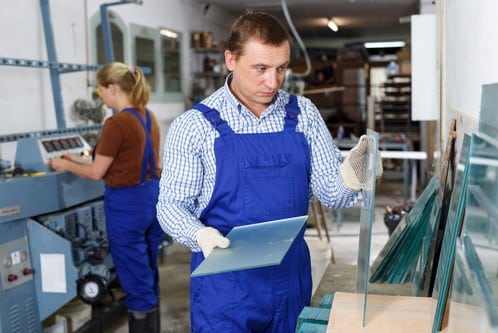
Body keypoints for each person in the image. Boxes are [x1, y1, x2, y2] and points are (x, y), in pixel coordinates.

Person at [157, 11, 382, 332]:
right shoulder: (195, 126)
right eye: (260, 69)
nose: (272, 82)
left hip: (290, 280)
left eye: (281, 69)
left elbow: (333, 194)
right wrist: (198, 235)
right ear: (230, 60)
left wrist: (355, 172)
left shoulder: (303, 115)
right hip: (225, 288)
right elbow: (170, 206)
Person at [50, 62, 164, 333]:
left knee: (135, 283)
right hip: (151, 198)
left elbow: (95, 171)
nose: (100, 95)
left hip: (127, 207)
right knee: (148, 273)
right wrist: (77, 158)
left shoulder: (116, 123)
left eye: (100, 89)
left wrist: (64, 165)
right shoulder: (147, 117)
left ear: (112, 88)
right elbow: (132, 160)